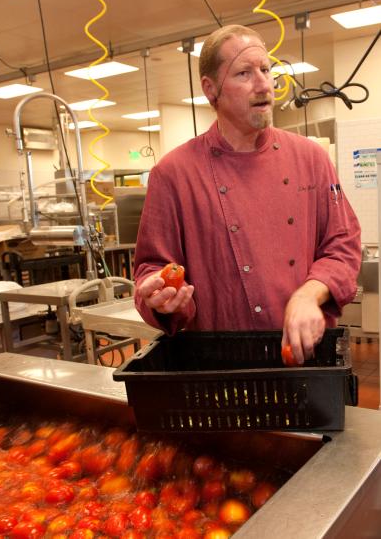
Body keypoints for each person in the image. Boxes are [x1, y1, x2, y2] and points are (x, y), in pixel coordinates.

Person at [133, 24, 361, 364]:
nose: (263, 84)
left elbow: (342, 243)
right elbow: (152, 267)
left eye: (266, 70)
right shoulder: (173, 174)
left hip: (306, 359)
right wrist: (164, 298)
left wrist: (310, 293)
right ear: (211, 90)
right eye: (244, 73)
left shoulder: (310, 158)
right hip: (219, 367)